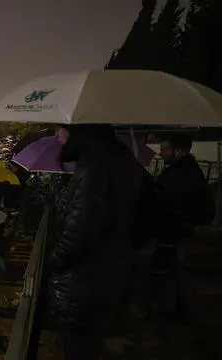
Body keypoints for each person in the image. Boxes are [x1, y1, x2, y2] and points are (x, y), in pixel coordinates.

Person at [48, 125, 147, 360]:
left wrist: (55, 262)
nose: (56, 135)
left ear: (79, 130)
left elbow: (79, 227)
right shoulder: (118, 157)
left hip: (86, 279)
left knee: (79, 345)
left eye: (60, 129)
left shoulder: (95, 165)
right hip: (106, 271)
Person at [152, 134, 215, 321]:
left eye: (164, 149)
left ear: (177, 150)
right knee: (177, 271)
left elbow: (167, 202)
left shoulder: (178, 174)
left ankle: (182, 312)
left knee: (177, 272)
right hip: (181, 228)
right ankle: (181, 310)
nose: (160, 153)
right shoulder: (189, 171)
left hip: (175, 230)